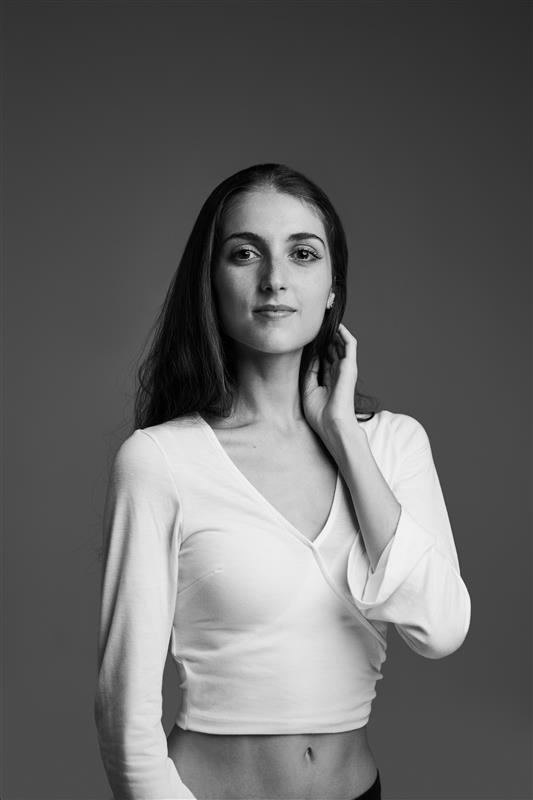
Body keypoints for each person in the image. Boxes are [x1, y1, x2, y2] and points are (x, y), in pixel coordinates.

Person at [94, 163, 471, 800]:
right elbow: (123, 716)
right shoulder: (159, 461)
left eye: (303, 253)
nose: (275, 279)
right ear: (211, 281)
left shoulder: (394, 444)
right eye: (245, 253)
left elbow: (441, 628)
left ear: (331, 287)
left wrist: (345, 437)